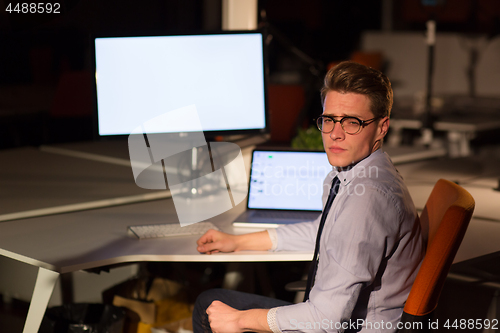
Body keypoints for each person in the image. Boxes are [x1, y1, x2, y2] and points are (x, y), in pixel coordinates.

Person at [192, 61, 425, 333]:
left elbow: (326, 319)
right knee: (214, 302)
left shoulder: (367, 199)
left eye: (352, 122)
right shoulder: (357, 173)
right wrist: (238, 241)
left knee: (208, 305)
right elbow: (323, 230)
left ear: (382, 127)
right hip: (335, 317)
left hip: (340, 326)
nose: (335, 134)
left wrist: (240, 320)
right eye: (329, 120)